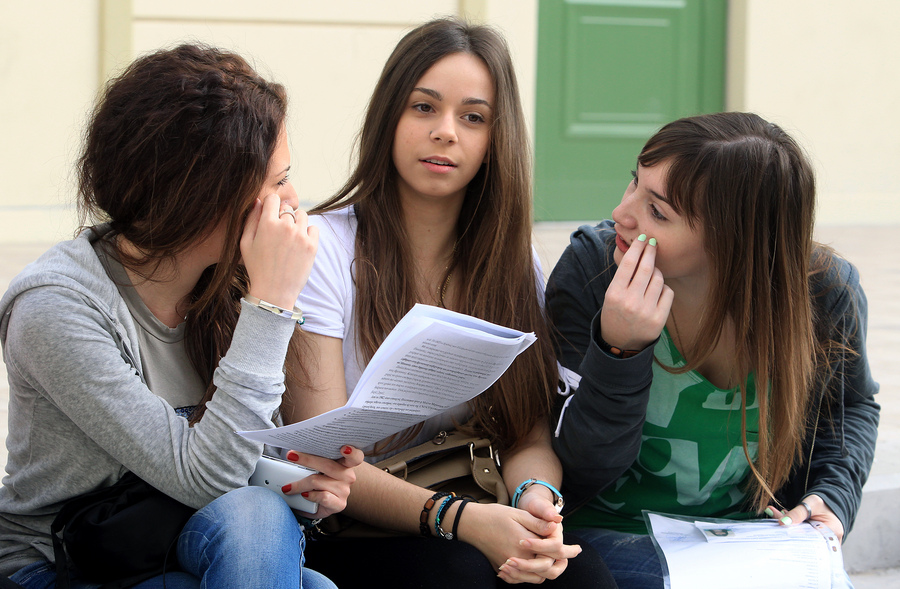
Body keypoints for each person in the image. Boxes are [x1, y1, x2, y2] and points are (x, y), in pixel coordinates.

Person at [0, 44, 363, 589]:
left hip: (178, 533)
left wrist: (305, 479)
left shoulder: (222, 283)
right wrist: (270, 305)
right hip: (63, 560)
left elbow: (240, 460)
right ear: (203, 196)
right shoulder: (56, 309)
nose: (293, 202)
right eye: (277, 181)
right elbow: (211, 479)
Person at [285, 17, 617, 588]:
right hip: (347, 524)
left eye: (473, 117)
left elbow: (526, 433)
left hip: (471, 504)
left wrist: (536, 501)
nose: (446, 132)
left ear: (495, 139)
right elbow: (319, 453)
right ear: (389, 115)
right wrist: (462, 520)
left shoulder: (513, 262)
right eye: (423, 107)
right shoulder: (325, 250)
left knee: (583, 580)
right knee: (458, 575)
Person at [546, 112, 880, 588]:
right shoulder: (593, 271)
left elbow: (849, 408)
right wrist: (619, 350)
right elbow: (577, 465)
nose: (622, 213)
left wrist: (833, 494)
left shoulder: (824, 293)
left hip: (750, 538)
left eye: (658, 212)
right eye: (633, 183)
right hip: (605, 534)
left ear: (734, 242)